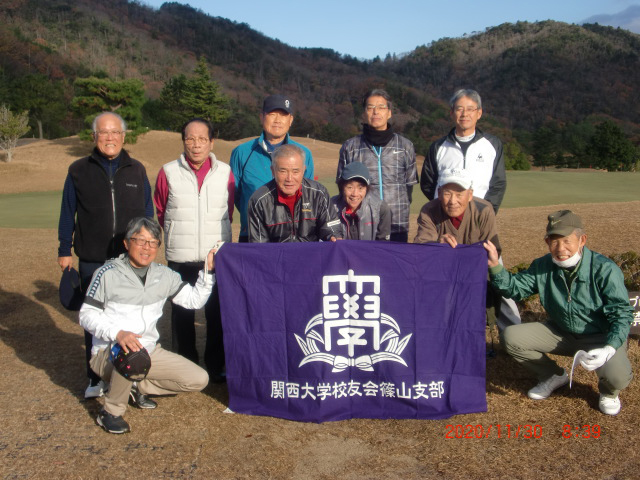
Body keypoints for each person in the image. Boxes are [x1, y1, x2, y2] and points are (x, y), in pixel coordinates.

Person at [484, 210, 634, 415]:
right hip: (561, 332)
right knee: (511, 336)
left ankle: (609, 393)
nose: (560, 249)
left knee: (617, 376)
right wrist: (495, 266)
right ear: (547, 242)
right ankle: (552, 375)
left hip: (600, 335)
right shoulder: (543, 265)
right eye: (554, 241)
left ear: (582, 240)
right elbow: (515, 289)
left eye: (566, 241)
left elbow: (622, 314)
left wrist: (610, 347)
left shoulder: (605, 269)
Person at [80, 217, 215, 434]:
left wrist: (208, 270)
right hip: (109, 352)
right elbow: (86, 315)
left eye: (153, 243)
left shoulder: (164, 275)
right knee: (131, 354)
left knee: (198, 379)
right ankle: (110, 412)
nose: (147, 248)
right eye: (141, 241)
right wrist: (118, 333)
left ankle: (132, 386)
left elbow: (194, 301)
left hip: (148, 351)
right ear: (127, 243)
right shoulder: (107, 273)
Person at [57, 111, 153, 399]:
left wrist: (147, 247)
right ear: (94, 136)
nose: (109, 138)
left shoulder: (137, 170)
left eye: (115, 132)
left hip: (129, 260)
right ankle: (96, 377)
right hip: (92, 258)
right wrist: (64, 250)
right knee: (94, 319)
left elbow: (148, 214)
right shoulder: (78, 170)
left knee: (131, 317)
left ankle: (132, 376)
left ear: (123, 136)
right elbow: (67, 212)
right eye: (103, 132)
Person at [154, 118, 233, 383]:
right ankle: (185, 364)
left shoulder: (225, 172)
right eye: (190, 138)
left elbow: (228, 210)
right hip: (180, 256)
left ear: (212, 142)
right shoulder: (168, 172)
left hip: (216, 256)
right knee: (181, 314)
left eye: (202, 139)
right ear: (183, 141)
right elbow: (162, 210)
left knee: (216, 312)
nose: (196, 144)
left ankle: (216, 364)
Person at [337, 89, 418, 242]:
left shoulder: (405, 146)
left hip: (397, 224)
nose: (376, 112)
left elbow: (409, 187)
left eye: (381, 107)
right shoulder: (350, 147)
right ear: (364, 113)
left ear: (389, 113)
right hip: (362, 225)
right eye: (370, 107)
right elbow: (342, 186)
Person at [230, 94, 314, 242]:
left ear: (291, 120)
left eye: (283, 115)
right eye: (272, 114)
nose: (277, 120)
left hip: (293, 238)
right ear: (262, 117)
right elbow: (235, 196)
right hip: (251, 235)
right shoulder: (242, 152)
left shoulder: (303, 154)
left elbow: (308, 195)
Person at [421, 89, 506, 214]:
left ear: (479, 113)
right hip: (444, 217)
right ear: (452, 113)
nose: (464, 114)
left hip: (479, 216)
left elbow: (498, 184)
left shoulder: (493, 145)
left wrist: (486, 212)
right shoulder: (438, 146)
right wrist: (446, 206)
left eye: (470, 109)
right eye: (459, 109)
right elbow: (428, 183)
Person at [248, 144, 339, 243]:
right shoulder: (259, 201)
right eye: (283, 171)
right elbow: (259, 245)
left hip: (312, 252)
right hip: (276, 253)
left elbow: (332, 227)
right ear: (273, 171)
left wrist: (333, 236)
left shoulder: (319, 193)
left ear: (303, 170)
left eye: (295, 171)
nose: (289, 178)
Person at [329, 161, 391, 241]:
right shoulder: (330, 207)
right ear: (341, 187)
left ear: (367, 188)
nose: (355, 194)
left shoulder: (381, 209)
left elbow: (383, 244)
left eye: (360, 188)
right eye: (350, 187)